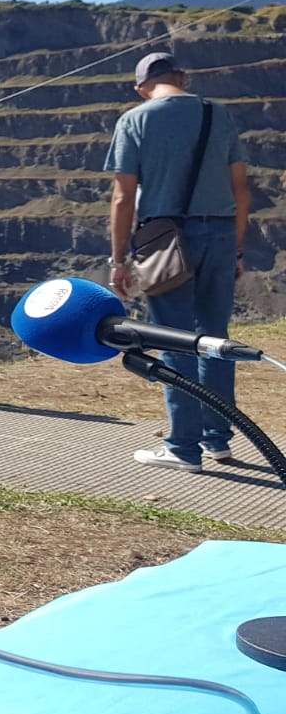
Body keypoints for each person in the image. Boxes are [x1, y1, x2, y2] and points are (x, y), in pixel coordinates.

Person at [106, 51, 250, 472]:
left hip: (166, 241)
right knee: (216, 340)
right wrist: (236, 249)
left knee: (174, 341)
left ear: (141, 88)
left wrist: (118, 260)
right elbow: (241, 190)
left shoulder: (135, 120)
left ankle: (183, 449)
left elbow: (123, 197)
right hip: (220, 234)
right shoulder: (218, 114)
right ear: (182, 78)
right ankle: (217, 440)